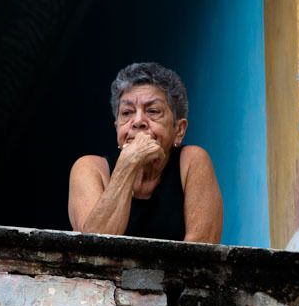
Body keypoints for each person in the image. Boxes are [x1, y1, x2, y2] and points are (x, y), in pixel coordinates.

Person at [68, 61, 224, 243]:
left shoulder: (192, 161)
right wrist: (128, 164)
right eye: (127, 113)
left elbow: (201, 250)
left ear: (179, 130)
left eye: (153, 111)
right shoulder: (89, 168)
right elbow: (93, 248)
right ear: (117, 127)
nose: (138, 121)